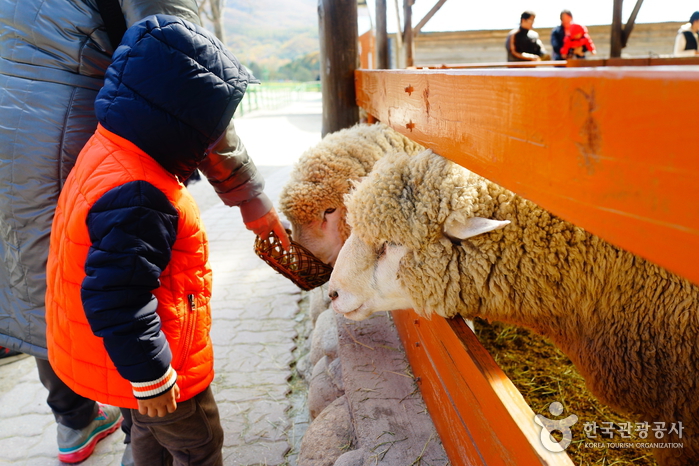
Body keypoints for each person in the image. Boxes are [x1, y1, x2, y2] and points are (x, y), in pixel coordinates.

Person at [0, 1, 288, 464]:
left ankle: (98, 431)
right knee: (200, 444)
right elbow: (117, 298)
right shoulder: (138, 195)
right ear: (181, 123)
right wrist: (152, 378)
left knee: (147, 437)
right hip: (161, 371)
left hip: (130, 368)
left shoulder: (105, 151)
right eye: (207, 130)